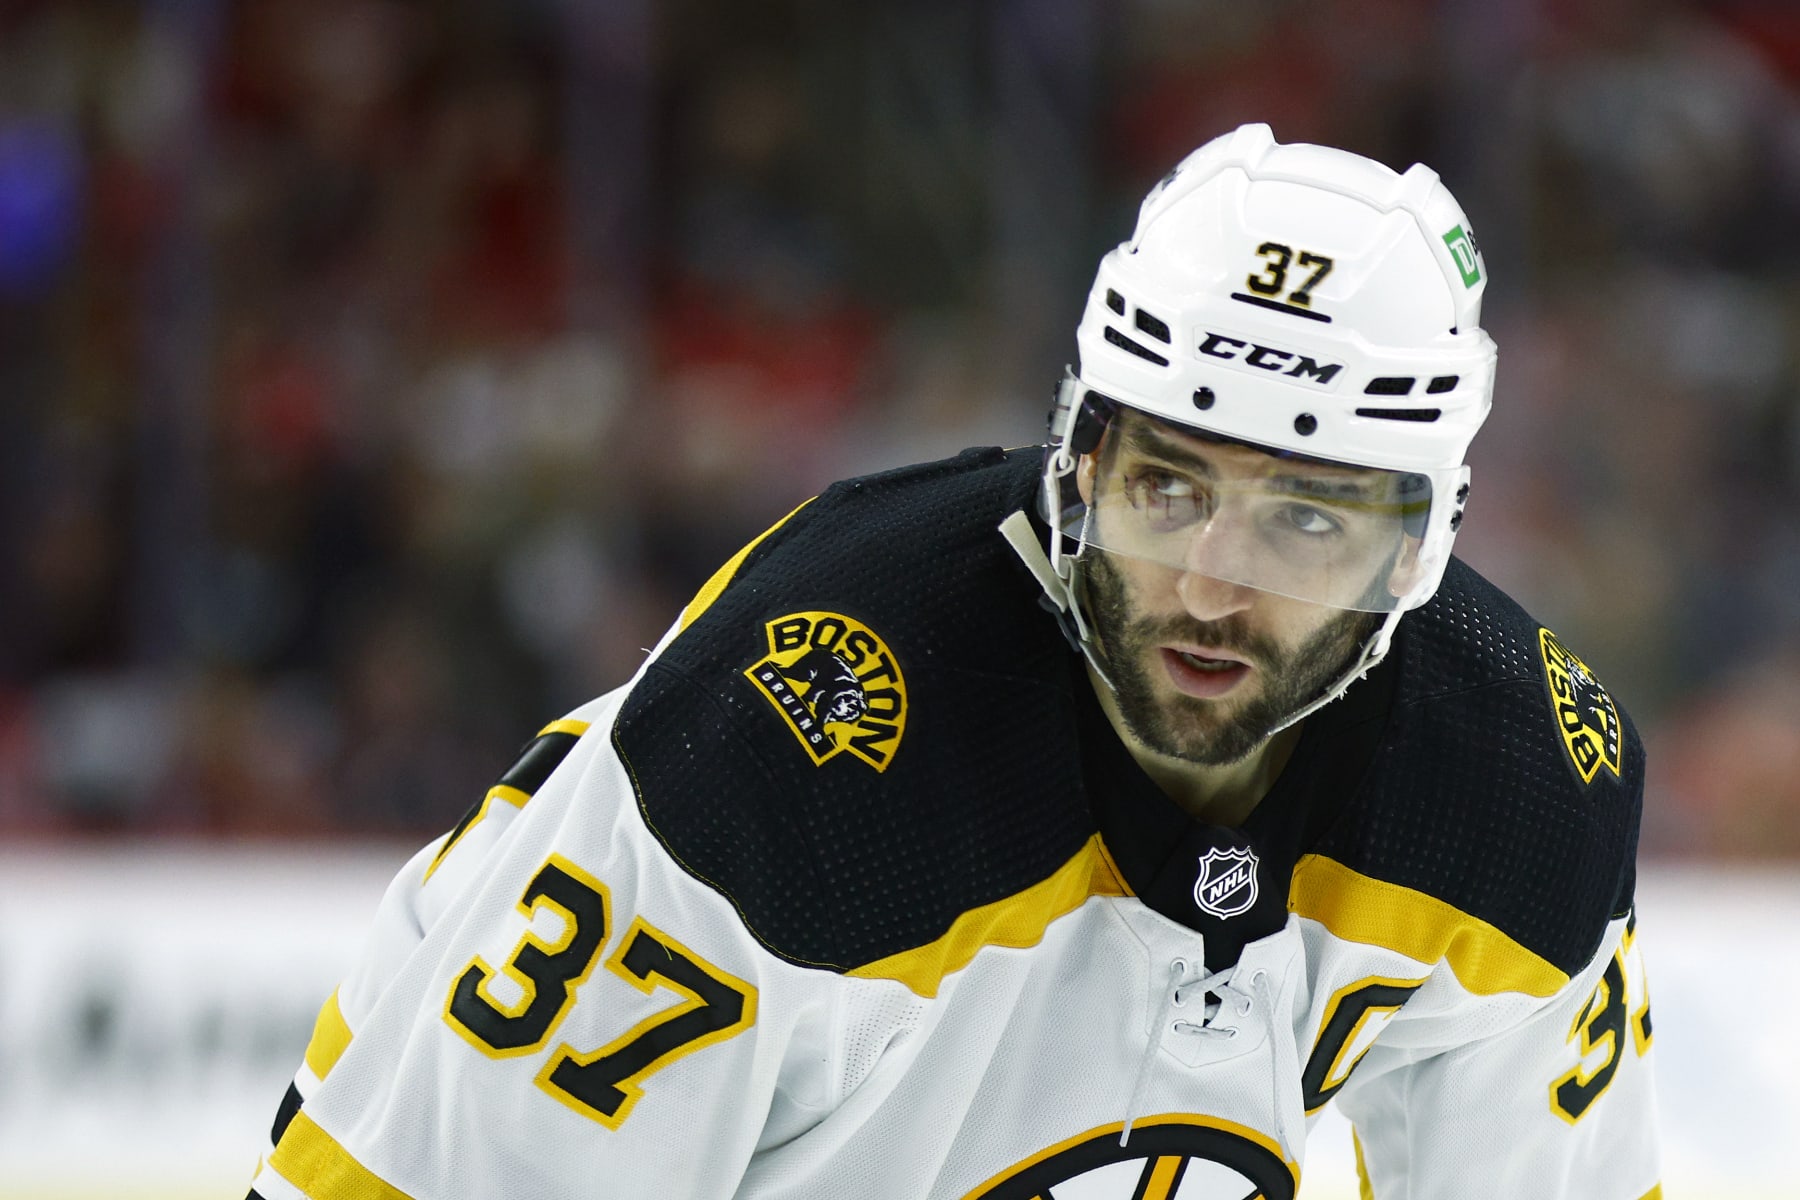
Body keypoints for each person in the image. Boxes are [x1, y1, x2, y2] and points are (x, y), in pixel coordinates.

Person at [248, 124, 1659, 1200]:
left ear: (1420, 548)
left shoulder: (1521, 790)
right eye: (1168, 486)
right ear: (1080, 456)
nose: (1211, 585)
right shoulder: (803, 739)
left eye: (1305, 519)